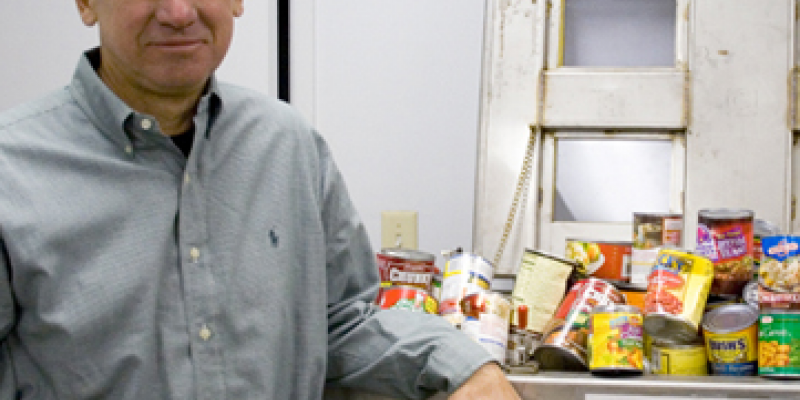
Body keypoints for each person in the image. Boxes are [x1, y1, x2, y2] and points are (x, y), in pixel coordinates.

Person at [0, 1, 522, 399]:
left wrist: (463, 366)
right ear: (86, 3)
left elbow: (343, 321)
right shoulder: (12, 168)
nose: (178, 13)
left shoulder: (288, 144)